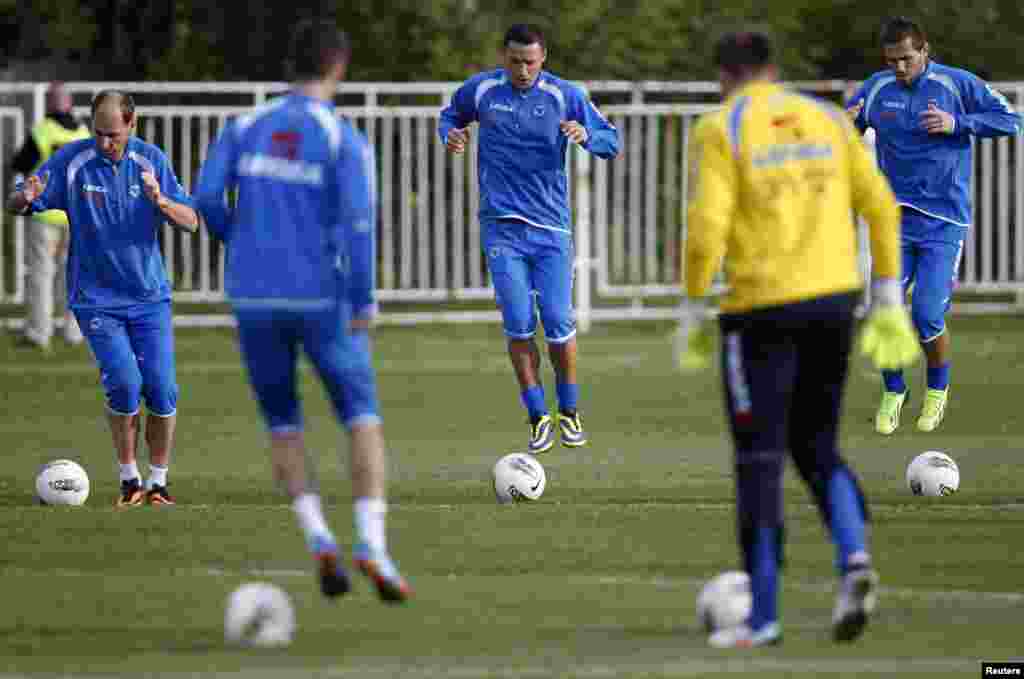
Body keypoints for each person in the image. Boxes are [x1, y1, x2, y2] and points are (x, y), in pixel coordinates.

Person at [677, 29, 920, 648]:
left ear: (724, 77)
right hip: (834, 304)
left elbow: (706, 226)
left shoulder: (722, 127)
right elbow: (882, 207)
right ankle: (854, 559)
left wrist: (694, 302)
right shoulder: (828, 120)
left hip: (760, 310)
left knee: (759, 459)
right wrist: (887, 297)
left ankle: (763, 619)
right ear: (773, 70)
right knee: (817, 447)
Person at [194, 19, 410, 603]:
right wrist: (363, 298)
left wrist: (238, 242)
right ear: (338, 66)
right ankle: (372, 544)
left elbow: (207, 198)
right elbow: (360, 227)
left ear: (290, 66)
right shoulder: (343, 140)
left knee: (283, 423)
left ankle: (317, 534)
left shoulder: (243, 127)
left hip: (254, 297)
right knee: (361, 416)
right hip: (320, 296)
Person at [7, 90, 199, 507]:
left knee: (163, 390)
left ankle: (158, 484)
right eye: (98, 133)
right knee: (126, 384)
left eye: (113, 134)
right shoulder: (73, 161)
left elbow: (192, 221)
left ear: (132, 124)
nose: (105, 142)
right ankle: (130, 481)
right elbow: (17, 201)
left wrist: (161, 201)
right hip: (96, 299)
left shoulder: (151, 160)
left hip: (149, 298)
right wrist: (25, 197)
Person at [438, 24, 620, 454]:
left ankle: (569, 411)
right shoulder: (482, 90)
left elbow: (611, 140)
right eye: (515, 61)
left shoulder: (564, 95)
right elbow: (450, 116)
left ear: (544, 59)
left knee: (557, 322)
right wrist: (451, 134)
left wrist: (588, 136)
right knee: (518, 322)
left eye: (530, 62)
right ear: (504, 57)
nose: (522, 70)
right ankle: (538, 415)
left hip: (550, 229)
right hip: (501, 226)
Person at [846, 16, 1021, 435]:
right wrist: (845, 125)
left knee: (926, 314)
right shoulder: (876, 88)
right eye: (892, 61)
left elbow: (1011, 119)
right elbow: (847, 129)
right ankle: (894, 390)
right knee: (884, 311)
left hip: (943, 222)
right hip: (892, 221)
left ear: (924, 51)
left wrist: (958, 123)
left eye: (907, 59)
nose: (899, 68)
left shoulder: (956, 84)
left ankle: (937, 389)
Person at [9, 82, 91, 350]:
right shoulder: (83, 133)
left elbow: (19, 164)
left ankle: (39, 332)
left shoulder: (42, 130)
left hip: (45, 215)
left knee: (41, 275)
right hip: (75, 216)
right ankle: (74, 332)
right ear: (69, 102)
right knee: (74, 277)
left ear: (49, 102)